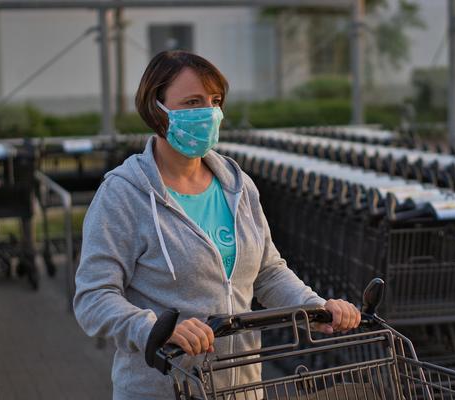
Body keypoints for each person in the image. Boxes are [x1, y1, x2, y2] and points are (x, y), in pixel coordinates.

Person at [73, 51, 361, 400]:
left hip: (242, 388)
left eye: (215, 101)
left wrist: (316, 307)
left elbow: (267, 272)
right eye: (193, 102)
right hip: (163, 389)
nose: (209, 113)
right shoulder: (123, 195)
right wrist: (154, 330)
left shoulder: (237, 185)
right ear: (156, 109)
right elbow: (94, 297)